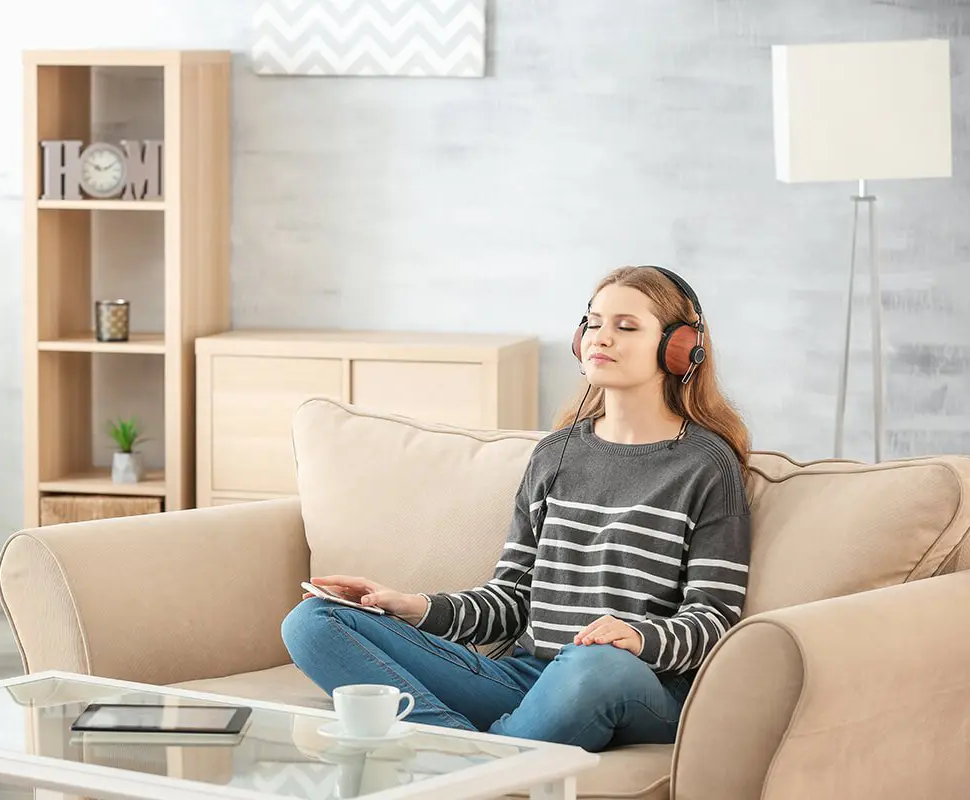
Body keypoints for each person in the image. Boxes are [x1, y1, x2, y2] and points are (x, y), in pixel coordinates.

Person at [280, 265, 752, 752]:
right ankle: (465, 753)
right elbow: (511, 600)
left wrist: (636, 637)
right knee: (313, 622)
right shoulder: (555, 454)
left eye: (626, 326)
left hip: (625, 684)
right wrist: (410, 605)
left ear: (679, 349)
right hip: (525, 677)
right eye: (592, 323)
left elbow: (713, 620)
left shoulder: (707, 465)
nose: (601, 338)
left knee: (593, 664)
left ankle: (475, 766)